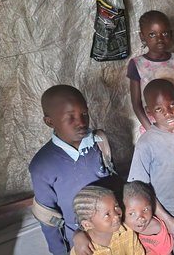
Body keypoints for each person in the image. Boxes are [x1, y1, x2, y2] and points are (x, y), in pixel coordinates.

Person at [28, 85, 119, 255]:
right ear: (49, 121)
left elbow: (115, 185)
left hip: (114, 233)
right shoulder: (42, 165)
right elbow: (47, 218)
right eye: (70, 117)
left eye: (84, 114)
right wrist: (60, 252)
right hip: (81, 244)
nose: (81, 122)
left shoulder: (99, 143)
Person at [128, 79, 174, 255]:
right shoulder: (146, 143)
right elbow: (140, 189)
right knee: (173, 251)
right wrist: (167, 219)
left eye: (172, 104)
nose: (168, 113)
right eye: (159, 109)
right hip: (166, 213)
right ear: (149, 112)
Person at [127, 10, 174, 133]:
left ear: (171, 34)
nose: (160, 39)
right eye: (152, 34)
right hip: (151, 124)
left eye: (165, 33)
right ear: (142, 36)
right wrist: (152, 131)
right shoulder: (136, 64)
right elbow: (136, 104)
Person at [70, 185, 144, 255]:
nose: (116, 216)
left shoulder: (128, 231)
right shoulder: (82, 250)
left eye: (116, 206)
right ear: (87, 224)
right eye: (107, 214)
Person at [124, 181, 174, 255]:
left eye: (145, 210)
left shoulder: (157, 229)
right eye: (132, 213)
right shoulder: (121, 229)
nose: (141, 218)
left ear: (152, 206)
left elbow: (167, 252)